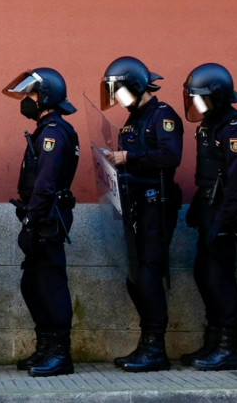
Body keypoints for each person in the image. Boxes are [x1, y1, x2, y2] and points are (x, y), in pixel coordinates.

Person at [100, 56, 183, 373]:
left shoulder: (163, 116)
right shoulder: (134, 120)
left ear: (134, 86)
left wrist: (127, 156)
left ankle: (156, 348)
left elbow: (170, 156)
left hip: (157, 205)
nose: (118, 99)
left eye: (120, 91)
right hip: (136, 205)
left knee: (148, 273)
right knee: (136, 277)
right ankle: (147, 342)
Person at [2, 68, 79, 377]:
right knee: (33, 284)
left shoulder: (53, 132)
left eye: (31, 95)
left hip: (48, 217)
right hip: (41, 216)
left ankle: (60, 354)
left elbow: (45, 183)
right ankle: (46, 346)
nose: (26, 101)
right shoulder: (47, 129)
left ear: (46, 97)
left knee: (50, 284)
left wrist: (33, 220)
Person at [180, 63, 237, 371]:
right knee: (204, 274)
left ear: (218, 96)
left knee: (220, 278)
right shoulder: (209, 124)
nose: (196, 103)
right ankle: (212, 341)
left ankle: (227, 348)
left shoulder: (236, 126)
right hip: (209, 207)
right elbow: (208, 175)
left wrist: (225, 218)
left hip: (225, 211)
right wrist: (200, 207)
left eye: (201, 97)